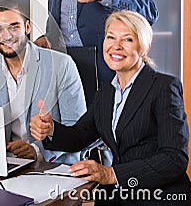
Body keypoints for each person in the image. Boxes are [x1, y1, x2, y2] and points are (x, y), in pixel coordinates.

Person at [30, 11, 190, 205]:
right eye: (110, 37)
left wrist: (112, 174)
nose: (116, 46)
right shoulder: (107, 91)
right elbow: (81, 135)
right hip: (119, 196)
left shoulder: (164, 87)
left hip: (159, 196)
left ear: (144, 47)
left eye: (128, 39)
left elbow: (174, 158)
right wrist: (51, 129)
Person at [0, 0, 87, 163]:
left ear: (27, 28)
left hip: (53, 164)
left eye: (14, 27)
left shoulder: (61, 64)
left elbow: (76, 128)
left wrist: (37, 150)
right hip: (7, 163)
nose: (6, 36)